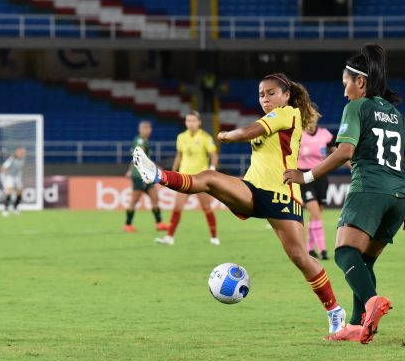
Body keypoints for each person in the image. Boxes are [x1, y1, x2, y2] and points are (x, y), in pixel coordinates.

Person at [133, 73, 347, 334]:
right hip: (253, 190)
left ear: (286, 95)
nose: (265, 99)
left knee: (300, 257)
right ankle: (158, 175)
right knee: (210, 179)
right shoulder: (271, 116)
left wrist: (228, 136)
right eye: (261, 94)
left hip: (282, 195)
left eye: (271, 93)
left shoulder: (288, 114)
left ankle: (334, 310)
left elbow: (249, 132)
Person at [284, 44, 405, 344]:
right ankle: (360, 327)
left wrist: (305, 175)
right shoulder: (398, 116)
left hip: (370, 189)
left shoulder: (356, 107)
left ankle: (372, 302)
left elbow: (344, 151)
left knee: (345, 253)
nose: (344, 91)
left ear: (360, 81)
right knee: (364, 261)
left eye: (346, 82)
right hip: (399, 195)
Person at [155, 111, 219, 245]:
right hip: (184, 177)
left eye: (193, 121)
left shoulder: (205, 137)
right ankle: (169, 237)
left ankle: (214, 237)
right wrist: (173, 172)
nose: (191, 123)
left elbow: (213, 155)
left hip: (200, 179)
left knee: (206, 207)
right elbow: (179, 155)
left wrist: (212, 169)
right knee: (177, 207)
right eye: (188, 121)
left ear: (199, 122)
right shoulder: (181, 137)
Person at [297, 118, 336, 260]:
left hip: (321, 177)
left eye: (313, 118)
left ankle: (310, 249)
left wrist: (353, 167)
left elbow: (338, 153)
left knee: (316, 214)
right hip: (305, 178)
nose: (310, 122)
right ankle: (323, 250)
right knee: (315, 213)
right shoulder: (298, 134)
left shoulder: (325, 134)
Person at [123, 121, 169, 233]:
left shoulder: (144, 141)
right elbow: (142, 157)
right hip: (139, 175)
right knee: (134, 200)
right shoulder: (139, 141)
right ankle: (127, 225)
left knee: (155, 198)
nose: (146, 130)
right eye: (144, 128)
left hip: (146, 175)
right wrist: (156, 167)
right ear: (140, 130)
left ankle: (159, 223)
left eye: (148, 128)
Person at [0, 146, 25, 217]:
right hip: (9, 176)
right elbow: (3, 167)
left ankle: (15, 207)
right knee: (9, 191)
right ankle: (5, 210)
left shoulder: (22, 160)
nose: (22, 153)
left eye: (23, 152)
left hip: (17, 177)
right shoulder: (11, 159)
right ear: (17, 152)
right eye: (21, 152)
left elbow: (19, 170)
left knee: (20, 192)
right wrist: (4, 177)